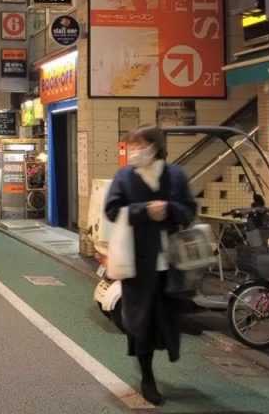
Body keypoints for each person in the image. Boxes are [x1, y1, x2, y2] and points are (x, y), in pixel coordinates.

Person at [104, 124, 196, 406]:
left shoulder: (175, 175)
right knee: (140, 321)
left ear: (153, 148)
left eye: (138, 145)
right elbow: (111, 209)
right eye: (130, 146)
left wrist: (168, 209)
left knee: (166, 317)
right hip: (137, 262)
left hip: (170, 264)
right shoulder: (125, 176)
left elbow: (189, 210)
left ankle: (157, 360)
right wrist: (143, 210)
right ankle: (147, 376)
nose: (133, 151)